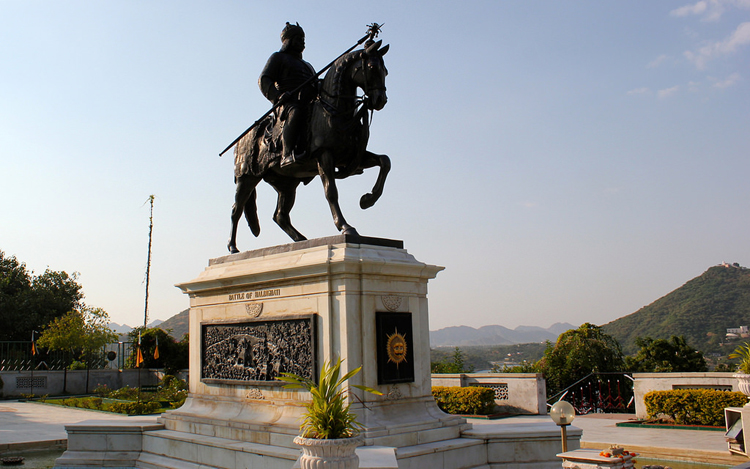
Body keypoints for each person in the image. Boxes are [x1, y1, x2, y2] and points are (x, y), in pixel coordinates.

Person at [259, 22, 317, 167]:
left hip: (307, 101)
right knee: (295, 111)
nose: (302, 42)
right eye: (298, 39)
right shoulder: (278, 57)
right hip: (287, 102)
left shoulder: (308, 65)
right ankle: (287, 154)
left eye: (303, 39)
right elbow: (264, 79)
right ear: (288, 41)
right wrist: (278, 96)